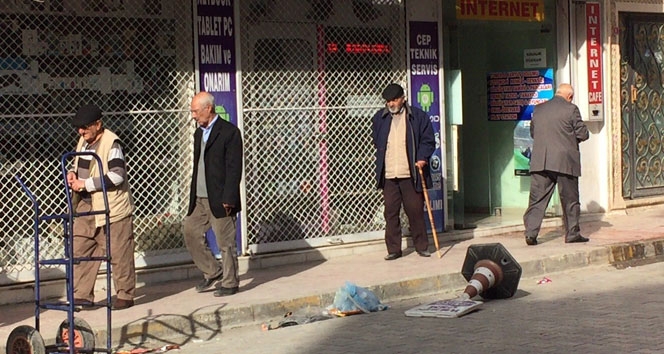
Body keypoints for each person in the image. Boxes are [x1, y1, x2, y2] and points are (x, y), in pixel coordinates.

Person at [67, 104, 136, 310]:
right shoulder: (83, 141)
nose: (81, 131)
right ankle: (82, 294)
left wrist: (85, 184)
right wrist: (73, 173)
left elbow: (117, 175)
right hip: (86, 205)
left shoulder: (111, 143)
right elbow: (81, 165)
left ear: (98, 124)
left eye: (86, 127)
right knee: (80, 249)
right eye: (79, 128)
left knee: (119, 251)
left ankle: (125, 294)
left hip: (111, 208)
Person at [183, 92, 243, 297]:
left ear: (208, 109)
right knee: (190, 231)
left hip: (220, 197)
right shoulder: (199, 133)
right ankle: (212, 271)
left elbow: (234, 168)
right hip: (199, 197)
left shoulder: (229, 132)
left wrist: (229, 198)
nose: (193, 116)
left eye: (195, 111)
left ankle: (230, 282)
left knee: (225, 242)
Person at [371, 83, 436, 260]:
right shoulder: (380, 118)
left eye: (394, 100)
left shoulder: (418, 117)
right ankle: (394, 249)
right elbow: (377, 141)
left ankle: (421, 246)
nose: (391, 104)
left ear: (402, 98)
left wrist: (422, 157)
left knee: (414, 211)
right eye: (388, 101)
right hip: (389, 174)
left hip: (411, 173)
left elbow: (428, 140)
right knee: (390, 212)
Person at [523, 83, 590, 245]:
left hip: (541, 161)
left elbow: (534, 133)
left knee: (537, 199)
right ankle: (572, 233)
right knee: (570, 199)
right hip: (564, 161)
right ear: (570, 96)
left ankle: (531, 233)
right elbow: (583, 133)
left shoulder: (539, 109)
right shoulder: (571, 109)